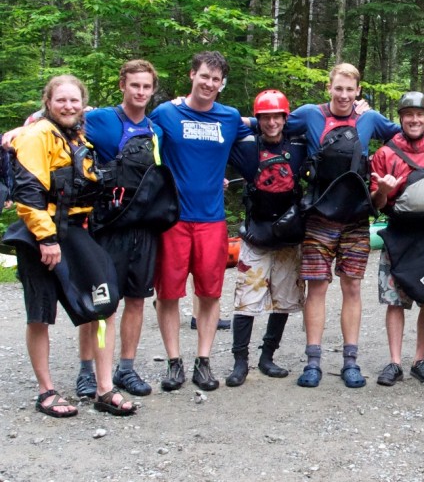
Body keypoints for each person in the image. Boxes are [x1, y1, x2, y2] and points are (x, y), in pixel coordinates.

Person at [4, 75, 135, 417]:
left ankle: (105, 388)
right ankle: (46, 392)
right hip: (41, 234)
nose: (68, 106)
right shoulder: (36, 136)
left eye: (74, 101)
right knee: (40, 314)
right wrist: (46, 239)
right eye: (61, 100)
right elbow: (28, 190)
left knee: (104, 303)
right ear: (48, 102)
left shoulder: (77, 136)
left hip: (77, 231)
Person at [284, 63, 401, 389]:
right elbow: (271, 123)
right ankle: (313, 362)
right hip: (319, 216)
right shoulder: (309, 114)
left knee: (351, 287)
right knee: (317, 288)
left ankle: (351, 361)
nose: (345, 95)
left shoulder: (369, 119)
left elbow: (411, 130)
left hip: (355, 218)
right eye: (339, 88)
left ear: (358, 91)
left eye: (351, 90)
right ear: (329, 87)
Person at [149, 51, 254, 392]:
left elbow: (270, 125)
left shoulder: (229, 117)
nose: (209, 84)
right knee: (168, 294)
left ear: (222, 84)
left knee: (210, 293)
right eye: (204, 76)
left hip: (212, 219)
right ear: (192, 75)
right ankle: (174, 363)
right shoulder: (166, 113)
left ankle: (203, 362)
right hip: (172, 220)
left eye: (216, 79)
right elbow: (134, 134)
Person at [83, 60, 178, 397]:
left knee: (136, 300)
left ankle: (126, 368)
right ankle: (88, 371)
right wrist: (24, 126)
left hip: (144, 226)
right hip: (108, 226)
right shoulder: (99, 119)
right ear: (122, 84)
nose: (140, 92)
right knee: (101, 301)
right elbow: (58, 122)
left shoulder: (157, 131)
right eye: (135, 85)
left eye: (146, 87)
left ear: (153, 90)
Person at [370, 92, 424, 386]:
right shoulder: (386, 153)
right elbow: (377, 204)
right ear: (401, 118)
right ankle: (394, 362)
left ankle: (420, 360)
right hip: (399, 233)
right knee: (395, 300)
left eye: (420, 114)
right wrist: (383, 190)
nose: (414, 119)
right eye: (408, 114)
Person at [224, 90, 306, 387]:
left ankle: (267, 356)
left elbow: (321, 124)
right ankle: (240, 361)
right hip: (256, 233)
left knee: (284, 300)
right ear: (257, 119)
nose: (272, 123)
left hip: (289, 234)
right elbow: (223, 130)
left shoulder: (299, 146)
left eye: (277, 116)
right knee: (247, 299)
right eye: (265, 117)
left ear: (286, 118)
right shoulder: (245, 147)